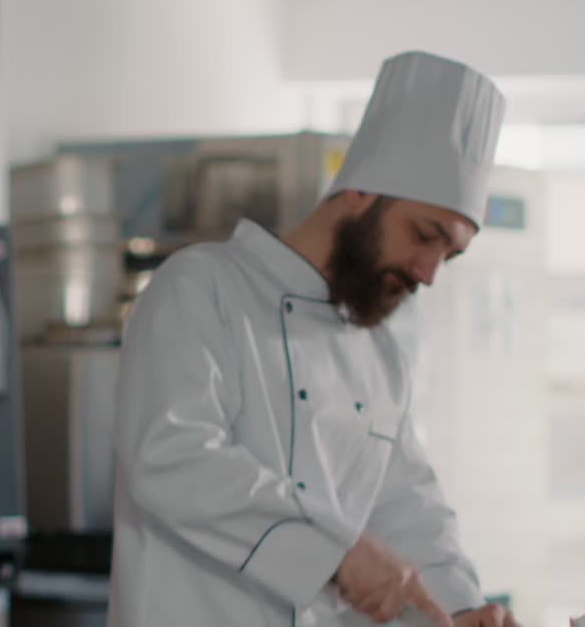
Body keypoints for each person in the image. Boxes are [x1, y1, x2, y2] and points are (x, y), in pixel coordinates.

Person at [108, 51, 520, 627]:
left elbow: (405, 503)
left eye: (448, 255)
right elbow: (171, 456)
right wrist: (335, 553)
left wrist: (461, 605)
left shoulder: (381, 353)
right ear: (357, 193)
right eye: (424, 235)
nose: (428, 271)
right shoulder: (201, 288)